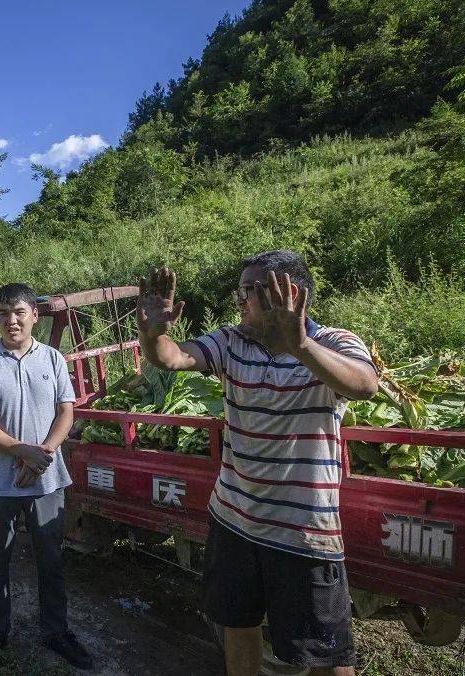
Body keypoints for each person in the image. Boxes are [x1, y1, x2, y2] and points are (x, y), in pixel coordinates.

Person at [136, 251, 378, 676]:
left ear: (292, 293)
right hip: (234, 518)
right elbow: (173, 358)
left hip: (303, 532)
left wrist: (301, 345)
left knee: (326, 652)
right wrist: (154, 335)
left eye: (252, 290)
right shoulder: (232, 341)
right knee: (237, 624)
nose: (241, 300)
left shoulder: (336, 342)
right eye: (241, 290)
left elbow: (364, 385)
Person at [0, 283, 94, 670]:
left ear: (34, 315)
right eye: (4, 313)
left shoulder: (53, 359)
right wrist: (22, 451)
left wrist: (44, 454)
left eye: (19, 312)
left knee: (51, 560)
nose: (12, 320)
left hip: (46, 480)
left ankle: (56, 632)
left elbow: (66, 412)